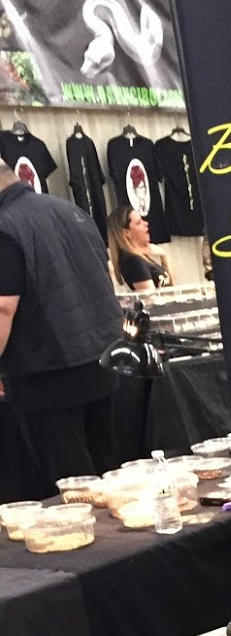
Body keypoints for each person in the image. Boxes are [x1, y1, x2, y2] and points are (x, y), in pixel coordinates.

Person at [0, 160, 125, 495]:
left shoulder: (5, 225)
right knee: (108, 473)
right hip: (102, 357)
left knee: (72, 487)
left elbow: (2, 307)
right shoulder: (71, 211)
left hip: (49, 371)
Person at [107, 204, 171, 292]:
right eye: (138, 223)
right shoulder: (133, 261)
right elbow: (149, 297)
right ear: (126, 233)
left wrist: (163, 257)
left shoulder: (141, 257)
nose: (146, 223)